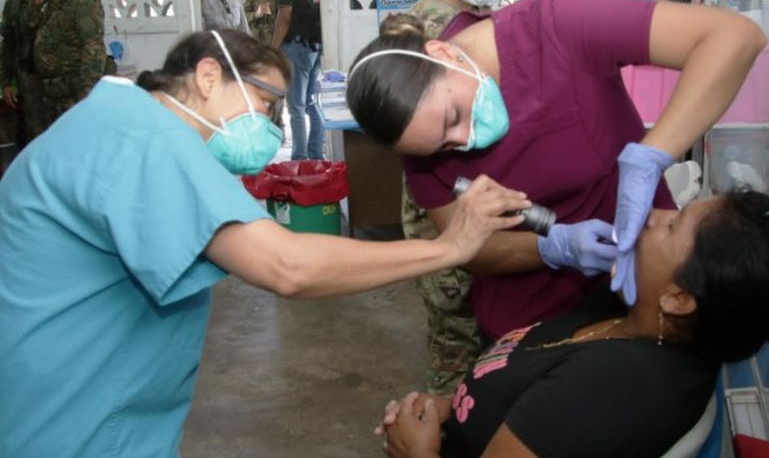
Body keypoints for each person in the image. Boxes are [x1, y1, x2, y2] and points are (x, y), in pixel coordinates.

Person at [0, 29, 531, 456]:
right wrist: (450, 247)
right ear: (208, 76)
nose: (272, 127)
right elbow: (285, 265)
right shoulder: (150, 138)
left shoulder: (118, 121)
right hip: (77, 419)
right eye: (266, 102)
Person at [346, 0, 768, 342]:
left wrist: (651, 154)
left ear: (443, 52)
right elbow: (470, 246)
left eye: (453, 117)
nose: (463, 141)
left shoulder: (555, 27)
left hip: (646, 284)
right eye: (443, 148)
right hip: (527, 324)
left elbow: (733, 37)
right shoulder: (415, 130)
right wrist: (551, 247)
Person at [377, 189, 769, 458]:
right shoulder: (629, 312)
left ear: (679, 299)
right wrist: (453, 407)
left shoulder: (613, 387)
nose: (651, 215)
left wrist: (419, 450)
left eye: (671, 225)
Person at [401, 0, 508, 397]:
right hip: (444, 209)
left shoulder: (481, 19)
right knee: (455, 345)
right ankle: (443, 423)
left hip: (476, 204)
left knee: (486, 346)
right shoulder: (422, 29)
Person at [33, 0, 105, 131]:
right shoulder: (51, 0)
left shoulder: (83, 1)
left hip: (72, 96)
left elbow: (93, 49)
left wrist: (87, 96)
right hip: (50, 95)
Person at [272, 0, 324, 160]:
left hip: (296, 45)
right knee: (311, 101)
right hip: (313, 44)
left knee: (296, 106)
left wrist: (274, 47)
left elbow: (285, 15)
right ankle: (316, 153)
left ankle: (299, 158)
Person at [0, 0, 46, 145]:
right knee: (35, 136)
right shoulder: (14, 3)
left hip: (60, 81)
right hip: (29, 82)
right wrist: (6, 82)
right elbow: (8, 45)